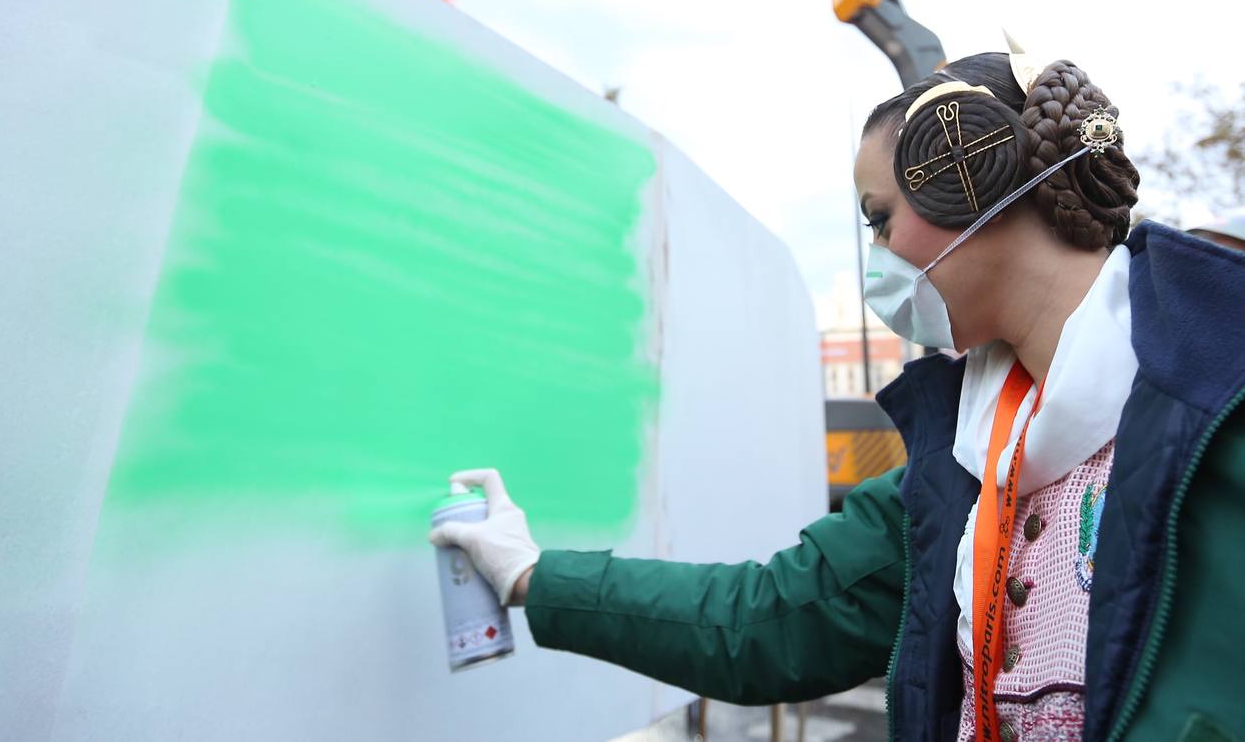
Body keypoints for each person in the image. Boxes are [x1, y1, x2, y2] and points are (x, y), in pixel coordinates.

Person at [428, 51, 1245, 741]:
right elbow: (768, 619)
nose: (880, 256)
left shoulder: (1222, 408)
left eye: (880, 218)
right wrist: (537, 576)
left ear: (972, 176)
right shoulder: (963, 457)